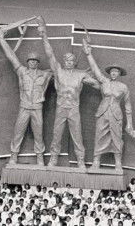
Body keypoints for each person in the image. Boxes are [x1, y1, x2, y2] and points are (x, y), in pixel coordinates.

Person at [37, 16, 99, 169]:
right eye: (67, 60)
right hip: (61, 107)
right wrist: (44, 36)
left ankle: (80, 160)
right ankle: (53, 159)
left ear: (74, 62)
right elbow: (49, 54)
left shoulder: (80, 75)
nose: (69, 62)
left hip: (74, 109)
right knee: (56, 135)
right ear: (64, 61)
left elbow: (98, 84)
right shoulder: (58, 71)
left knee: (77, 136)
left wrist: (107, 85)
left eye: (71, 60)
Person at [0, 27, 52, 166]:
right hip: (24, 107)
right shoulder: (22, 72)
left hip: (37, 108)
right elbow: (11, 56)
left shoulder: (45, 74)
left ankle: (39, 157)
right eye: (30, 61)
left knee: (39, 134)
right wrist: (1, 39)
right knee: (18, 132)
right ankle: (13, 155)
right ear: (27, 62)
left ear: (38, 63)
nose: (32, 62)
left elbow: (62, 71)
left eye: (35, 61)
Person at [82, 38, 134, 171]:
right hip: (103, 112)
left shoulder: (123, 87)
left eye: (116, 72)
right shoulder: (104, 82)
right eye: (112, 71)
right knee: (99, 136)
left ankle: (118, 163)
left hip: (116, 114)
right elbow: (95, 70)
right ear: (109, 73)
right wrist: (88, 54)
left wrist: (129, 124)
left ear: (120, 74)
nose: (114, 73)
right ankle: (96, 162)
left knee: (116, 138)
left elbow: (128, 107)